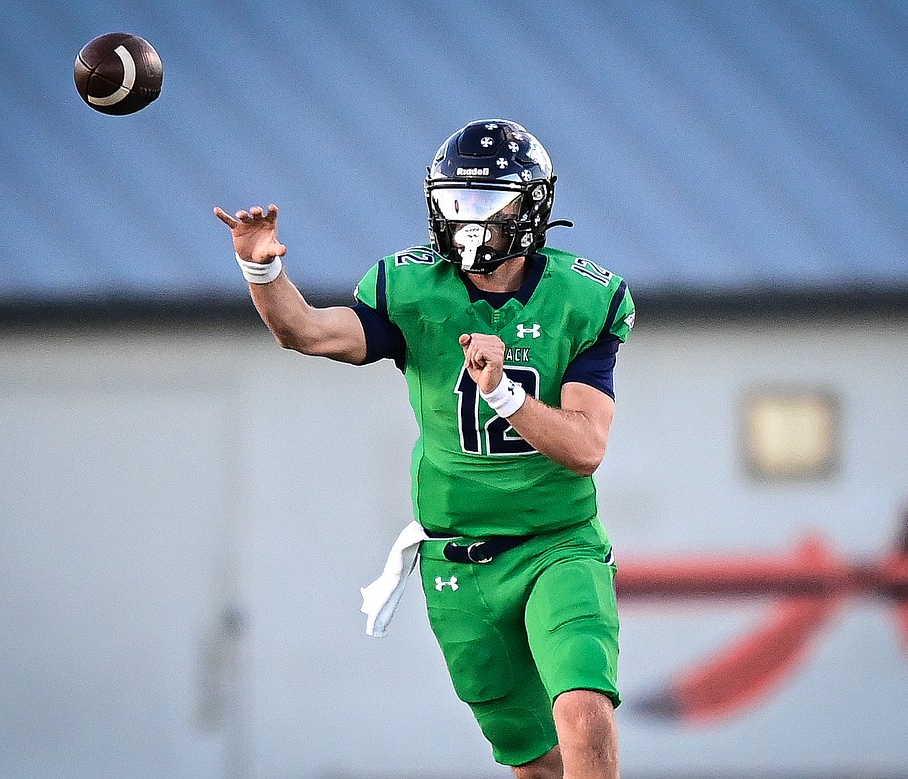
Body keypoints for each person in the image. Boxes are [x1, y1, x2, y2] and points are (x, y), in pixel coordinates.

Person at [215, 119, 634, 779]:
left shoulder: (582, 299)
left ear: (530, 209)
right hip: (458, 556)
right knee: (537, 764)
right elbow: (308, 332)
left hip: (557, 542)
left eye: (486, 203)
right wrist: (261, 269)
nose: (468, 221)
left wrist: (504, 395)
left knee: (584, 713)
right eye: (455, 201)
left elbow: (585, 447)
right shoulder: (412, 288)